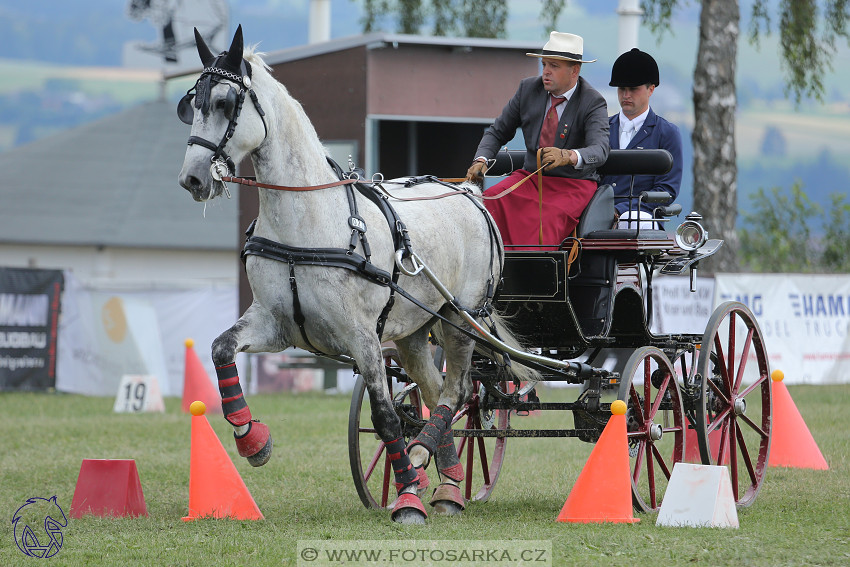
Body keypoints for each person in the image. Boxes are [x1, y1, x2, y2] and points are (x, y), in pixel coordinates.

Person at [465, 31, 609, 249]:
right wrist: (481, 159)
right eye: (544, 65)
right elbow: (497, 131)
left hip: (573, 185)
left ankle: (537, 279)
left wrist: (568, 156)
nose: (546, 72)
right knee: (490, 200)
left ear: (574, 71)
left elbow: (600, 149)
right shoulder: (527, 90)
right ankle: (493, 271)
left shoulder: (593, 101)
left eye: (554, 66)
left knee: (545, 221)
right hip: (530, 178)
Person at [601, 48, 683, 229]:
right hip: (596, 211)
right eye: (622, 89)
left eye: (633, 89)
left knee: (629, 221)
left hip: (641, 217)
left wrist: (619, 210)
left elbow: (667, 190)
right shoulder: (601, 129)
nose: (626, 95)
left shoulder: (667, 133)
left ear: (651, 89)